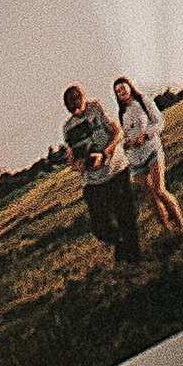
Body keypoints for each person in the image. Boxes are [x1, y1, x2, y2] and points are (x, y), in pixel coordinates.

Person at [61, 82, 144, 266]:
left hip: (115, 171)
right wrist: (76, 164)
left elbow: (117, 132)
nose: (75, 113)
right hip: (92, 181)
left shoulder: (96, 109)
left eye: (77, 107)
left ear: (83, 100)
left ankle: (135, 261)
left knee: (126, 217)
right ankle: (120, 246)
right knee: (100, 227)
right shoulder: (67, 128)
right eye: (71, 109)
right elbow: (71, 159)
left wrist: (104, 153)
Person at [113, 76, 183, 240]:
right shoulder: (122, 114)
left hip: (152, 150)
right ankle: (168, 230)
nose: (122, 92)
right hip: (135, 160)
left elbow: (159, 122)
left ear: (129, 86)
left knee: (160, 190)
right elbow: (124, 138)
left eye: (123, 87)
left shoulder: (144, 101)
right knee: (152, 197)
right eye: (118, 91)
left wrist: (145, 135)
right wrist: (127, 144)